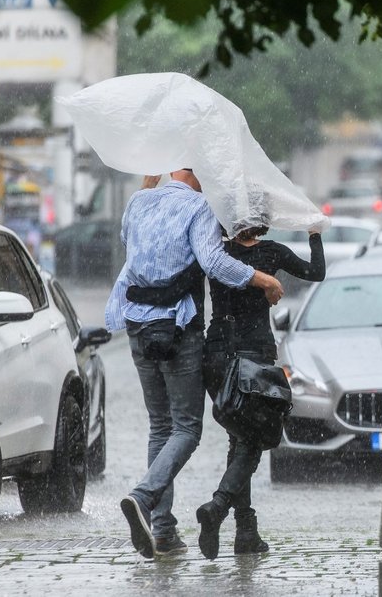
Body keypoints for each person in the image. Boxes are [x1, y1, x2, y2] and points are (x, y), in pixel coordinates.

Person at [105, 168, 283, 560]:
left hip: (136, 324)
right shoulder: (199, 207)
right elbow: (214, 262)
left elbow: (128, 243)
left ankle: (164, 532)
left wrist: (144, 193)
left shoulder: (138, 201)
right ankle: (143, 496)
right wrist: (262, 279)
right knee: (186, 429)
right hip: (178, 329)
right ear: (197, 171)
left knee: (160, 425)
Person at [130, 218, 325, 560]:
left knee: (239, 435)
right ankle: (219, 508)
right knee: (253, 438)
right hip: (255, 355)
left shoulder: (215, 253)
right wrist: (314, 235)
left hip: (216, 355)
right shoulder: (271, 252)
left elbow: (177, 278)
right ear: (262, 221)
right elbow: (316, 273)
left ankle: (246, 530)